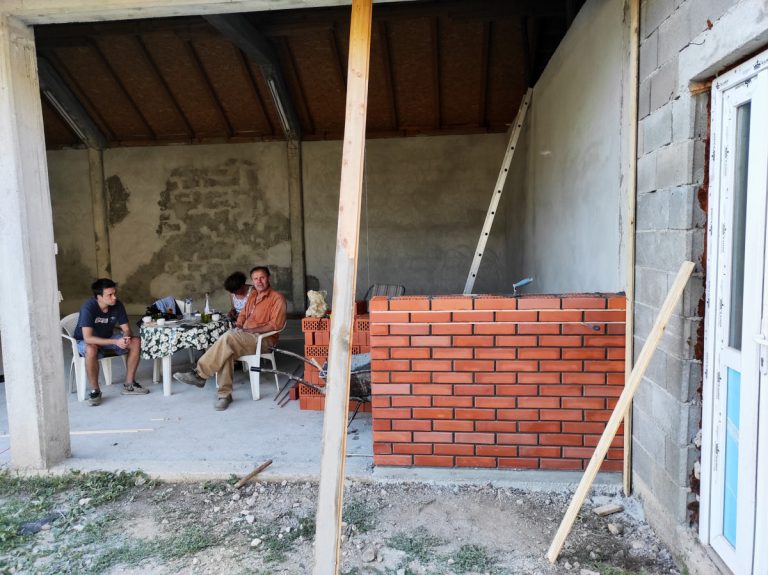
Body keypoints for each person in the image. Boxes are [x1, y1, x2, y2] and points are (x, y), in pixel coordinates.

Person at [174, 266, 287, 410]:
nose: (259, 281)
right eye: (255, 279)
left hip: (264, 340)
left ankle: (199, 374)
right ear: (252, 280)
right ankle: (224, 395)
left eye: (262, 278)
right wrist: (239, 325)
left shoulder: (277, 298)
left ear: (268, 278)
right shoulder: (253, 296)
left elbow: (275, 325)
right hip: (245, 336)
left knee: (227, 339)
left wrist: (251, 330)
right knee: (226, 349)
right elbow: (243, 315)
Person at [74, 278, 149, 406]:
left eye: (114, 293)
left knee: (136, 341)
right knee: (91, 348)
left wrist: (126, 337)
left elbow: (126, 329)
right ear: (99, 297)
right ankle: (95, 391)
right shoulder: (88, 307)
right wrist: (115, 341)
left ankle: (129, 384)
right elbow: (88, 338)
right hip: (87, 341)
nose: (114, 297)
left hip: (108, 338)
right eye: (110, 295)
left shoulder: (117, 305)